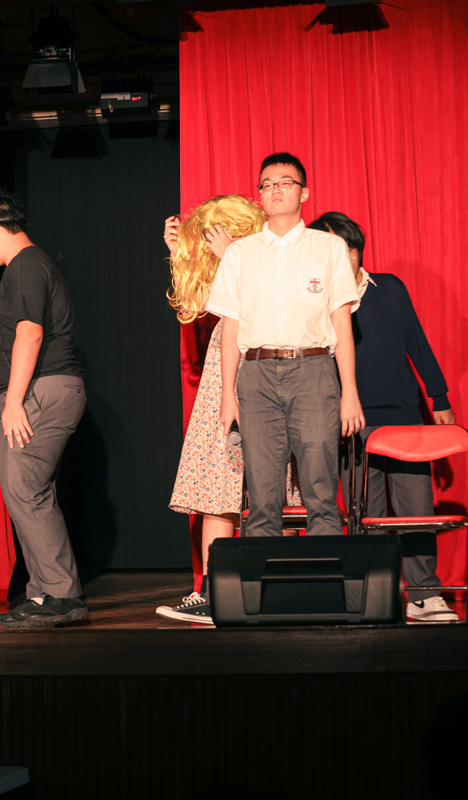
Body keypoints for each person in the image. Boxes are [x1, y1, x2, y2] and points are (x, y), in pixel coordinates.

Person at [156, 196, 301, 625]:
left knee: (274, 488)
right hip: (224, 384)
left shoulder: (277, 260)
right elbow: (195, 304)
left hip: (266, 378)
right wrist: (179, 253)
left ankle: (282, 586)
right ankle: (212, 592)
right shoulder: (232, 272)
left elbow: (272, 303)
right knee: (217, 488)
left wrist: (232, 256)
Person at [208, 153, 365, 544]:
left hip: (313, 372)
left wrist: (349, 393)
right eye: (267, 184)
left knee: (320, 493)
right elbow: (231, 328)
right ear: (260, 195)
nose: (275, 189)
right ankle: (263, 584)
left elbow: (341, 324)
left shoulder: (328, 248)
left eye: (285, 182)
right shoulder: (240, 253)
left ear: (304, 193)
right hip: (256, 375)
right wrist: (228, 395)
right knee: (262, 499)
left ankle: (326, 579)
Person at [310, 211, 459, 623]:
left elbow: (416, 341)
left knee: (417, 510)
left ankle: (424, 595)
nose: (340, 257)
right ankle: (369, 594)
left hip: (404, 417)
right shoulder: (315, 300)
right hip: (351, 421)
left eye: (345, 249)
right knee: (365, 514)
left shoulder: (389, 288)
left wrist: (439, 396)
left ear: (357, 251)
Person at [0, 190, 88, 628]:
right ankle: (44, 594)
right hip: (41, 390)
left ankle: (61, 595)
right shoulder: (30, 265)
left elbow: (30, 333)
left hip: (38, 391)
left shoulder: (25, 264)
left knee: (24, 491)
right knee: (31, 492)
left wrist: (14, 401)